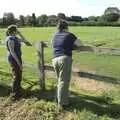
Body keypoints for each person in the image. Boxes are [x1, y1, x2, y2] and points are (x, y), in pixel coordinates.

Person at [51, 20, 83, 108]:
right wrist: (72, 46)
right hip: (64, 59)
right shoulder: (69, 35)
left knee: (60, 80)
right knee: (63, 81)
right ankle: (63, 104)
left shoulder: (54, 35)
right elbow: (80, 43)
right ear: (66, 27)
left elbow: (53, 45)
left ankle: (57, 99)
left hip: (54, 59)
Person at [6, 25, 32, 99]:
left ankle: (18, 90)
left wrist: (20, 34)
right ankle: (15, 94)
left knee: (19, 74)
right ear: (14, 31)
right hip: (14, 58)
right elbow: (12, 52)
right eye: (16, 30)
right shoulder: (10, 39)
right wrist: (18, 62)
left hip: (17, 57)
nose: (17, 31)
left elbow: (24, 41)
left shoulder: (15, 38)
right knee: (16, 75)